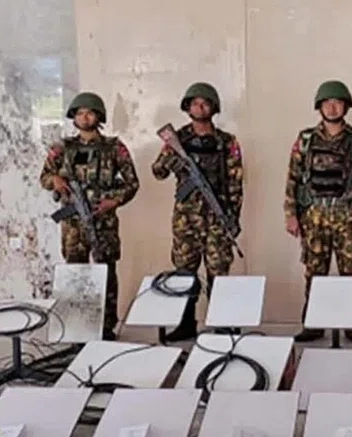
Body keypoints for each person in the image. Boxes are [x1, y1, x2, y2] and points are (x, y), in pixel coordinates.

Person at [284, 80, 352, 344]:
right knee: (314, 270)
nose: (331, 107)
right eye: (327, 103)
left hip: (349, 214)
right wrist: (290, 213)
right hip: (315, 214)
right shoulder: (305, 139)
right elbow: (293, 178)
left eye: (337, 103)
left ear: (346, 106)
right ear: (319, 107)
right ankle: (314, 323)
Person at [40, 91, 140, 341]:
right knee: (75, 273)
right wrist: (56, 181)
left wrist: (113, 201)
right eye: (80, 113)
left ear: (99, 116)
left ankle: (106, 325)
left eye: (90, 112)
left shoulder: (115, 148)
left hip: (103, 222)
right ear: (74, 117)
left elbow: (132, 183)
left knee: (106, 271)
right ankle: (77, 326)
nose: (85, 117)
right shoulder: (61, 148)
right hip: (73, 224)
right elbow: (44, 177)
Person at [151, 82, 244, 342]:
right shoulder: (176, 139)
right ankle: (186, 323)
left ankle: (222, 323)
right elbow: (157, 172)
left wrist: (232, 218)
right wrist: (173, 158)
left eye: (204, 103)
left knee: (218, 272)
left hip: (217, 216)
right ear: (187, 107)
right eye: (195, 103)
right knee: (184, 272)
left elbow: (236, 182)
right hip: (186, 219)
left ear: (213, 108)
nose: (199, 107)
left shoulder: (227, 142)